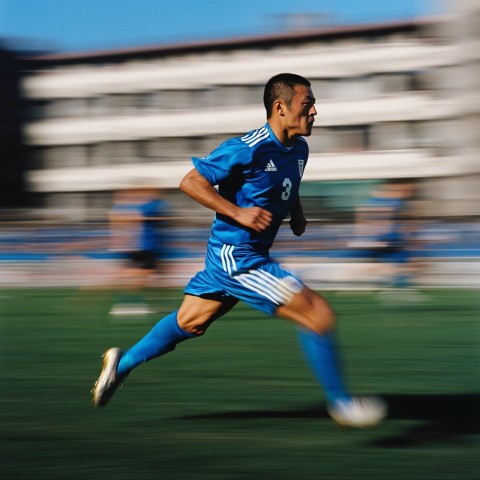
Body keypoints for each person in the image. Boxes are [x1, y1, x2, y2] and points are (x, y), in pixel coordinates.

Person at [92, 73, 387, 427]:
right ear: (280, 107)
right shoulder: (247, 147)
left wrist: (296, 212)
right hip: (238, 259)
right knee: (319, 315)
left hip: (241, 258)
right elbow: (190, 182)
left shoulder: (300, 150)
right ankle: (342, 404)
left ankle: (120, 364)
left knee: (190, 323)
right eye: (307, 104)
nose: (315, 112)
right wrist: (237, 212)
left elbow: (286, 185)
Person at [108, 184, 170, 315]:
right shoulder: (142, 206)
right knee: (142, 274)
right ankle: (128, 301)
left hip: (149, 246)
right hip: (144, 246)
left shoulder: (150, 204)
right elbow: (124, 219)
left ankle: (139, 301)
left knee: (150, 274)